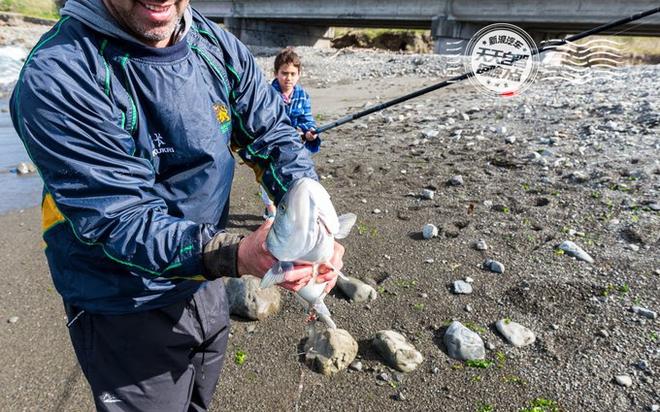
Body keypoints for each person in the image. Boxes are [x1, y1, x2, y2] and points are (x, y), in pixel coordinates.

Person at [10, 0, 344, 410]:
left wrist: (310, 204)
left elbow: (271, 133)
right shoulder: (59, 74)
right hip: (121, 303)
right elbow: (120, 220)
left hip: (206, 284)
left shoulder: (212, 44)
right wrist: (238, 253)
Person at [261, 47, 319, 218]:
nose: (289, 78)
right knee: (267, 177)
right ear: (276, 73)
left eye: (293, 74)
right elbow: (265, 121)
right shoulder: (267, 94)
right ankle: (270, 210)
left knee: (296, 177)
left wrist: (310, 132)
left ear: (299, 74)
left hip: (295, 145)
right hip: (271, 144)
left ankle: (291, 207)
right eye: (284, 73)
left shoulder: (302, 95)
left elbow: (306, 119)